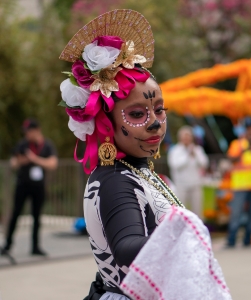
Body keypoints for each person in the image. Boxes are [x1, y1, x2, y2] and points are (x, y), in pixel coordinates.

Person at [58, 10, 230, 300]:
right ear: (106, 123)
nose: (154, 122)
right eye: (137, 114)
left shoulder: (135, 171)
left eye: (159, 109)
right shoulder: (114, 180)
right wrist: (185, 233)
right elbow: (127, 249)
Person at [1, 119, 58, 256]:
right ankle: (7, 244)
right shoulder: (23, 145)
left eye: (29, 131)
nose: (27, 134)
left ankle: (35, 246)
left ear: (37, 130)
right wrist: (22, 160)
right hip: (22, 185)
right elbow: (13, 163)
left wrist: (34, 159)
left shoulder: (47, 145)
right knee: (16, 214)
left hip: (38, 186)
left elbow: (52, 164)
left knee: (36, 216)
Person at [168, 125, 209, 217]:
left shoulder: (197, 149)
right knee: (180, 210)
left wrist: (195, 154)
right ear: (180, 138)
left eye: (188, 136)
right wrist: (187, 155)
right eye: (184, 136)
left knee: (197, 211)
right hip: (181, 186)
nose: (186, 138)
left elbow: (204, 163)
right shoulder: (175, 150)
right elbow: (175, 165)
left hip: (196, 185)